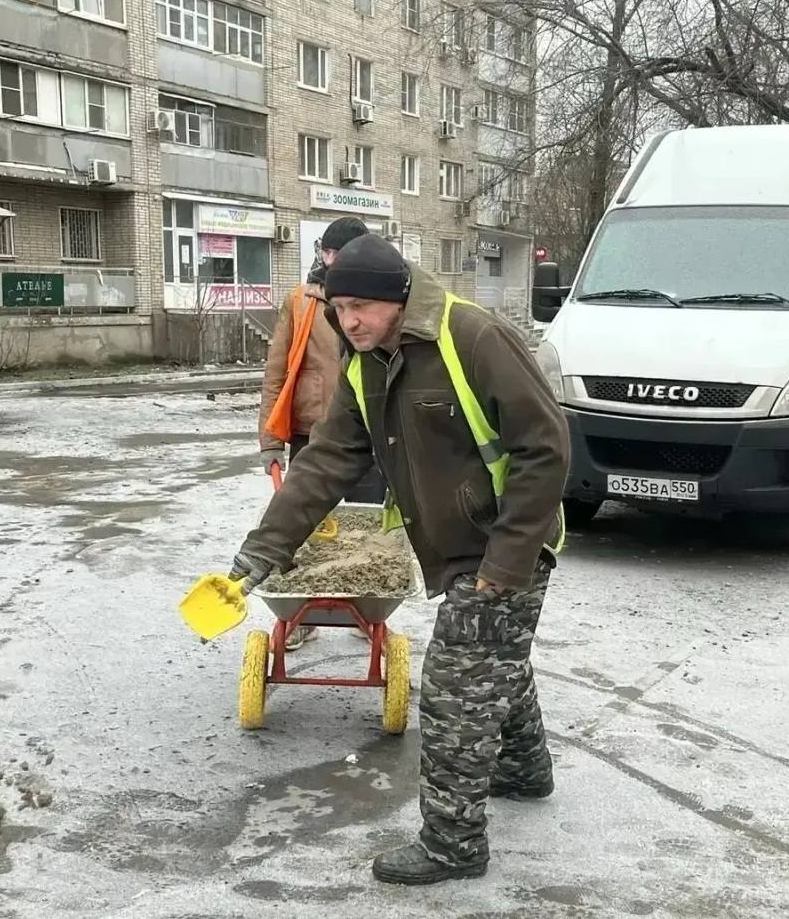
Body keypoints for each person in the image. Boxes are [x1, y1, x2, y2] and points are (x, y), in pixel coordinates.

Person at [231, 235, 570, 885]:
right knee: (493, 663)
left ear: (397, 299)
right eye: (338, 307)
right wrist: (263, 551)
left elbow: (545, 446)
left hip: (507, 541)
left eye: (361, 306)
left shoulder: (470, 338)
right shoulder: (366, 366)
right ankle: (525, 773)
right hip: (458, 546)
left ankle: (452, 847)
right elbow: (327, 462)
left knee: (451, 695)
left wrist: (506, 560)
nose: (348, 320)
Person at [256, 216, 381, 650]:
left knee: (371, 528)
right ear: (324, 255)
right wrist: (270, 439)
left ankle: (366, 611)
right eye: (329, 254)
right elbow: (277, 371)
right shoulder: (301, 300)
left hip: (368, 432)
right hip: (312, 430)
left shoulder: (379, 299)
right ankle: (304, 614)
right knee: (305, 527)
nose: (334, 262)